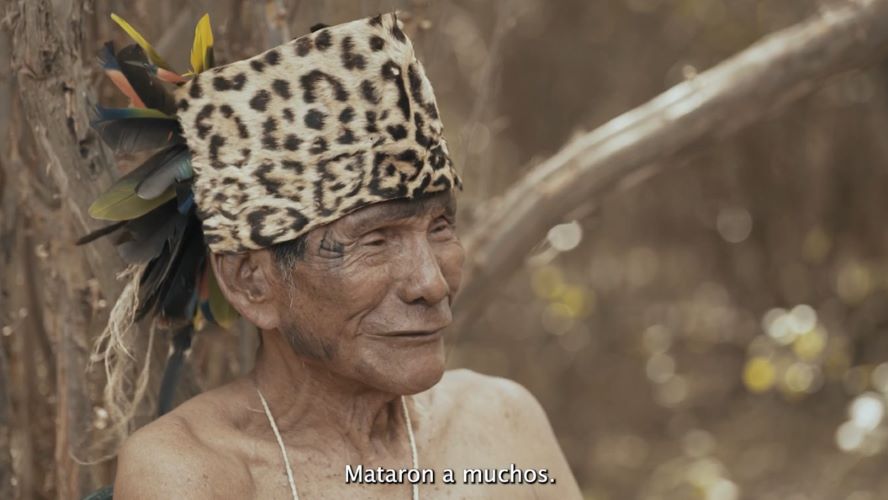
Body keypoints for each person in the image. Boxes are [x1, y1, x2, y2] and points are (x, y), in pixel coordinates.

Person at [86, 11, 580, 499]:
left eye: (440, 226)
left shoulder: (503, 422)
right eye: (376, 240)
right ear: (251, 283)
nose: (431, 283)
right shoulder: (193, 472)